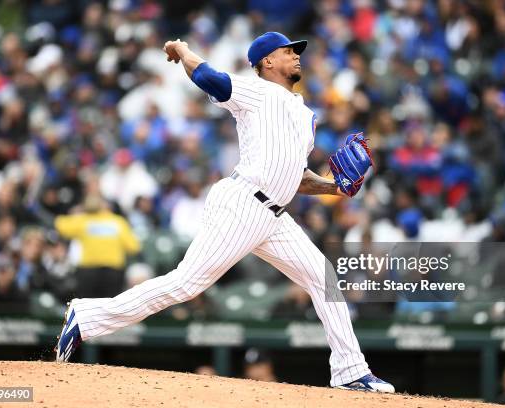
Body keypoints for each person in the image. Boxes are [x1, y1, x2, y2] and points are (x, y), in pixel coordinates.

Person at [56, 31, 394, 393]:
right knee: (186, 283)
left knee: (323, 277)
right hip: (243, 203)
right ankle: (87, 316)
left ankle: (350, 372)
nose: (297, 56)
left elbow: (294, 176)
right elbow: (208, 78)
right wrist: (183, 50)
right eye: (288, 51)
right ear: (267, 61)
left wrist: (334, 186)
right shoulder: (255, 90)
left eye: (297, 51)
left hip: (274, 216)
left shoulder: (304, 113)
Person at [54, 194, 141, 298]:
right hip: (113, 272)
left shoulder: (84, 220)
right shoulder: (118, 222)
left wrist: (75, 213)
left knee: (88, 306)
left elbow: (59, 225)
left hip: (89, 271)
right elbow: (134, 247)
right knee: (112, 306)